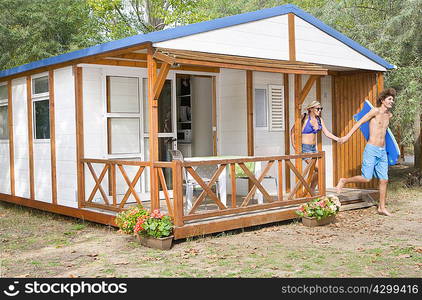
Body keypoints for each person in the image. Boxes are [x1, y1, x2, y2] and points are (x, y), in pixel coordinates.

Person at [335, 88, 396, 216]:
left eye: (393, 99)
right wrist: (347, 136)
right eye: (390, 99)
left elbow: (386, 135)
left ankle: (382, 207)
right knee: (366, 178)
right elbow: (359, 123)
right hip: (371, 149)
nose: (392, 101)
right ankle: (344, 180)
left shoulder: (389, 115)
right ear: (382, 100)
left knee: (384, 180)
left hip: (382, 151)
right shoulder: (375, 111)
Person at [291, 100, 341, 193]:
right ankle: (310, 190)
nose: (320, 110)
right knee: (318, 168)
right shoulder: (304, 117)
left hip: (314, 149)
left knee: (318, 169)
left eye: (321, 108)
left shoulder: (319, 120)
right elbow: (293, 131)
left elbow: (327, 133)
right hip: (305, 148)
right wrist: (295, 146)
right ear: (311, 109)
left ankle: (310, 190)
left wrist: (338, 139)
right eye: (318, 108)